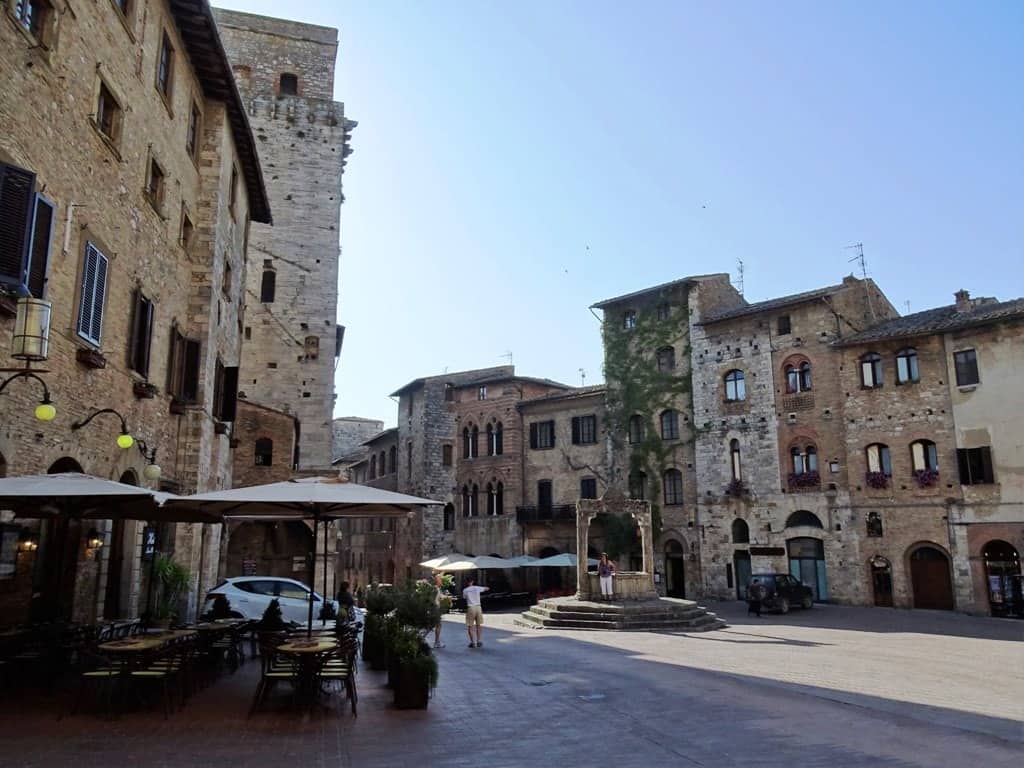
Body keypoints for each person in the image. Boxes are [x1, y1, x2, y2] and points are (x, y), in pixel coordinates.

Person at [462, 577, 489, 648]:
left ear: (466, 582)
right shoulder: (477, 588)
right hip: (478, 607)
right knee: (478, 625)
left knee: (470, 625)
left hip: (471, 607)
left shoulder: (465, 590)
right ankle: (478, 641)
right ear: (472, 581)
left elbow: (464, 598)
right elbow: (487, 588)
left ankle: (472, 642)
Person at [433, 572, 446, 649]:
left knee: (436, 625)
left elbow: (440, 596)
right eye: (440, 579)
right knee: (437, 625)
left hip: (436, 608)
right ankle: (436, 642)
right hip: (435, 609)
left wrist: (447, 597)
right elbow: (433, 599)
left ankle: (436, 642)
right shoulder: (435, 588)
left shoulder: (438, 588)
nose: (441, 581)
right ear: (437, 580)